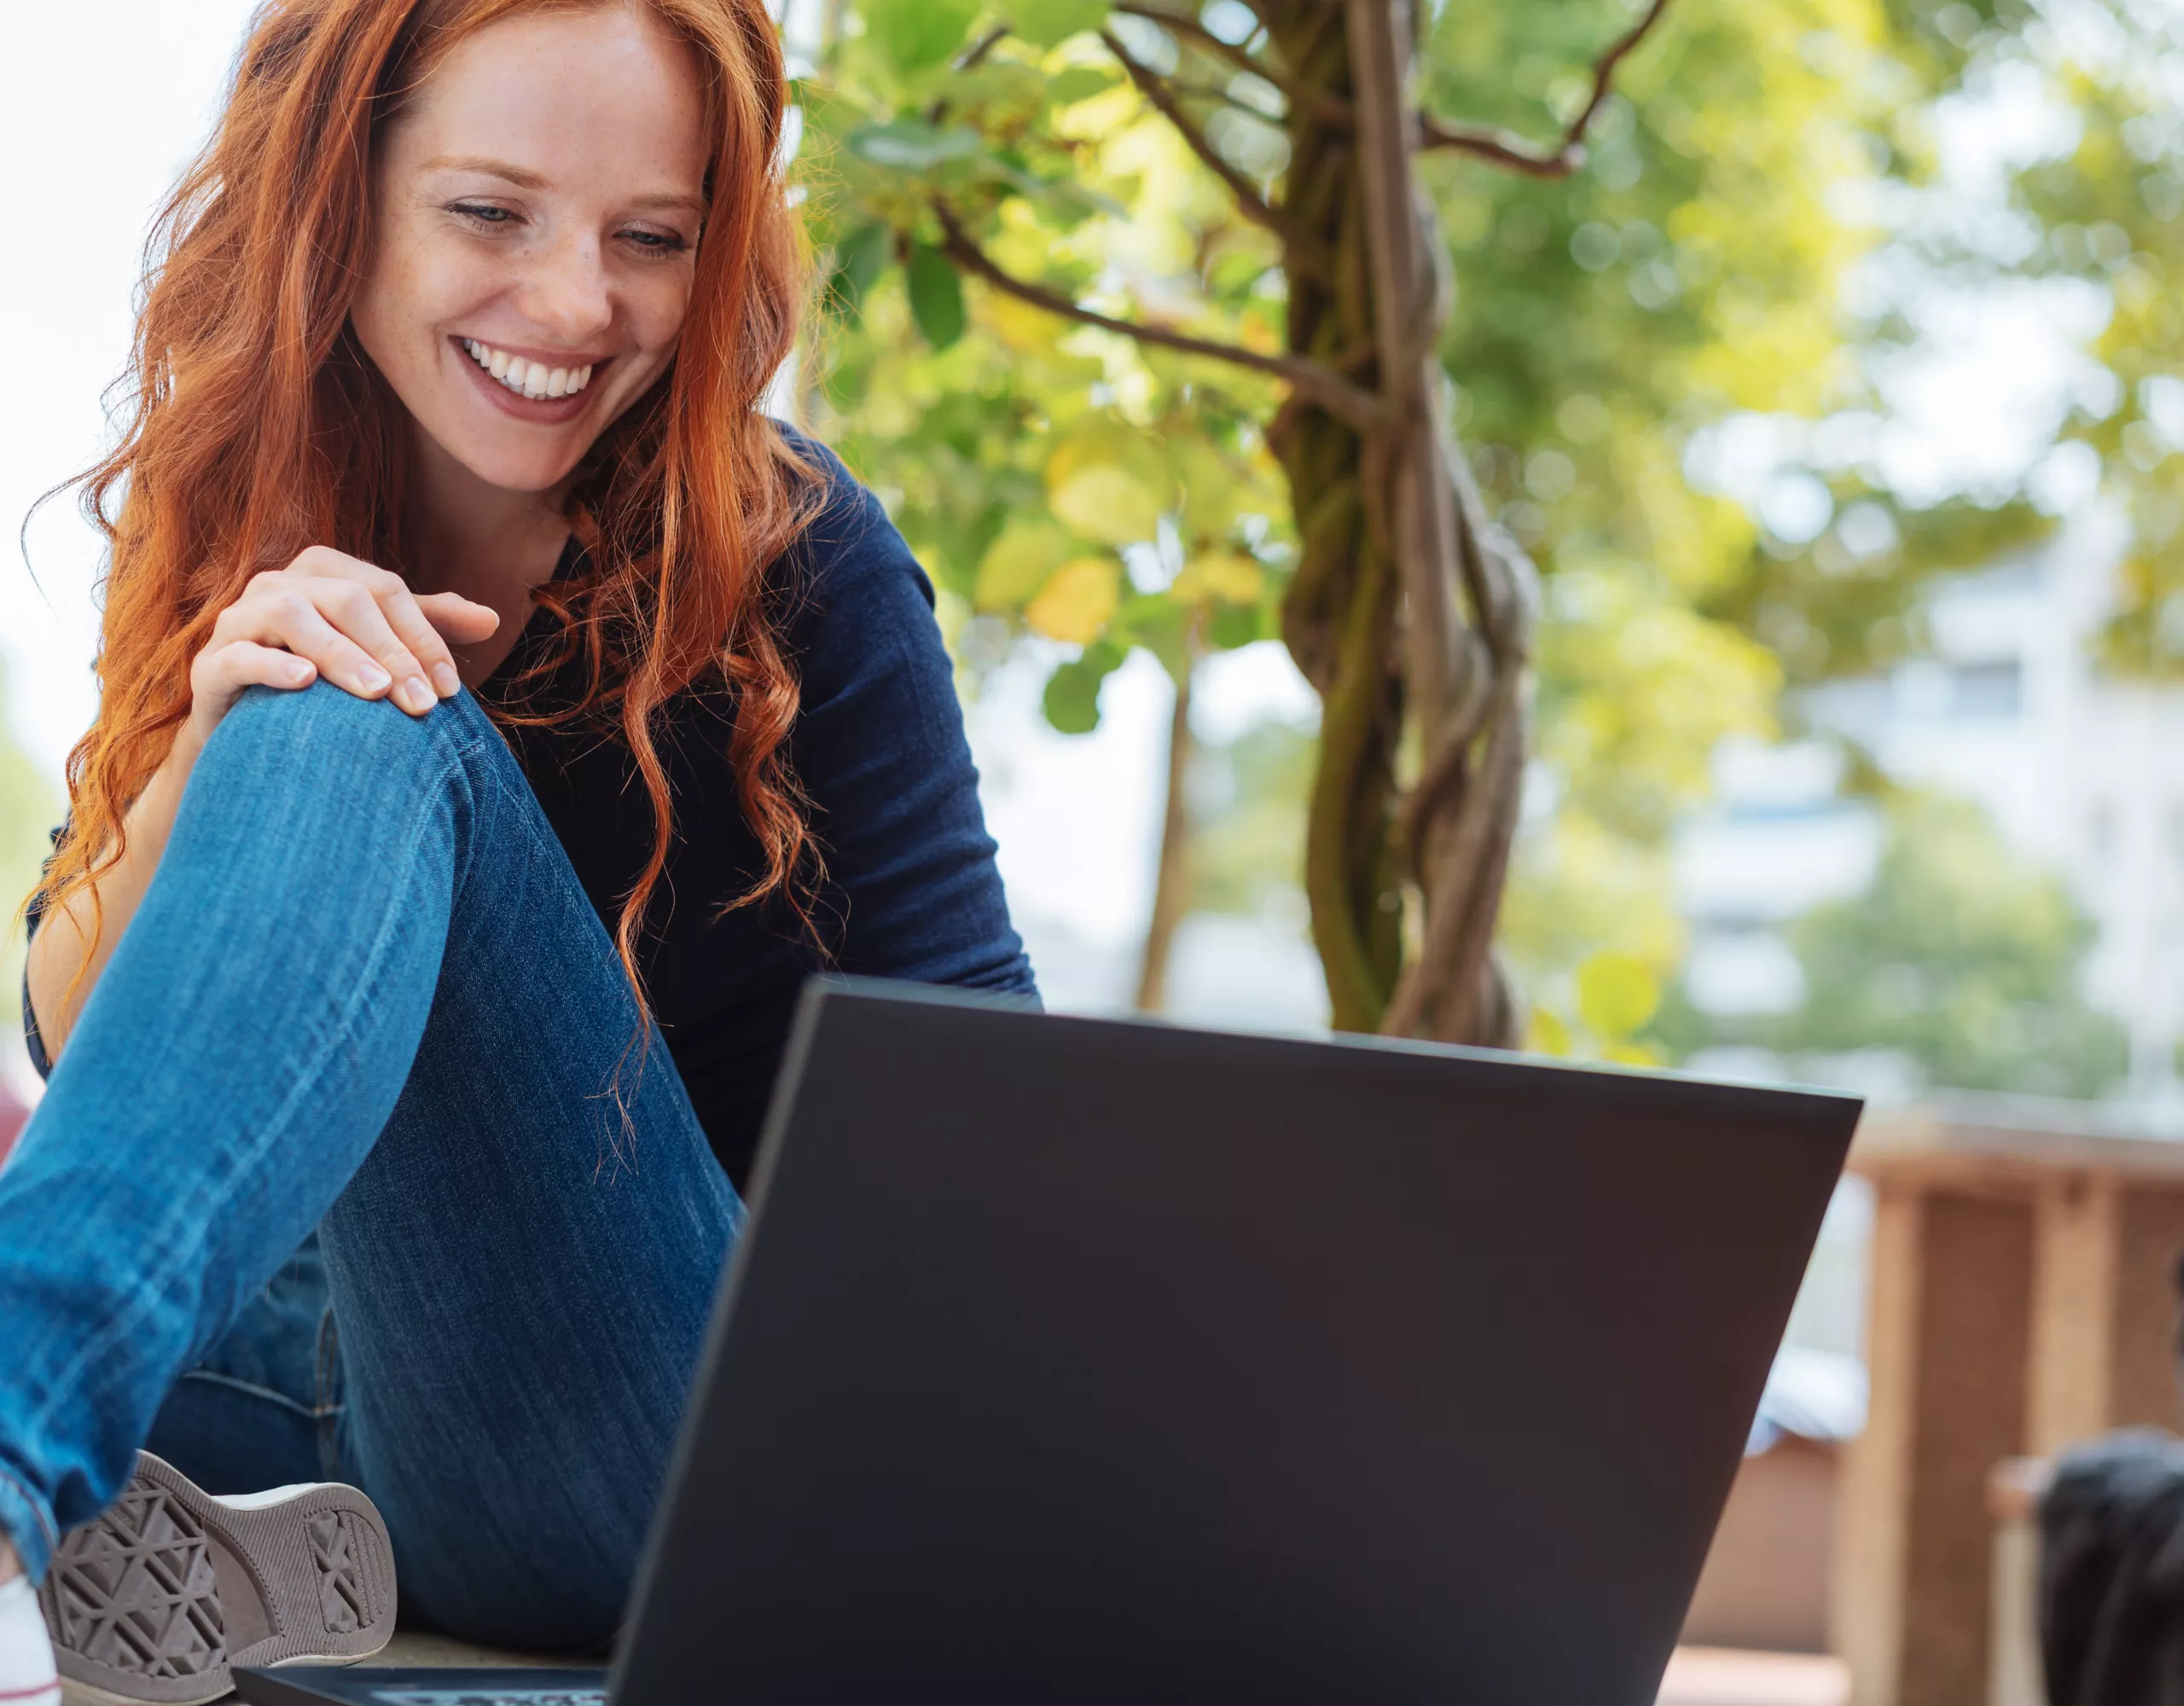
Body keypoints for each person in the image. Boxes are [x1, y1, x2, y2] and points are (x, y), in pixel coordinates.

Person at [0, 2, 1035, 1701]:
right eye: (492, 213)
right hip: (313, 1375)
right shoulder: (232, 504)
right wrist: (207, 729)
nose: (574, 305)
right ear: (341, 194)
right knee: (312, 685)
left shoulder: (799, 558)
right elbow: (78, 1043)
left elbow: (997, 1127)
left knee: (354, 708)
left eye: (651, 239)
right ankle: (197, 1533)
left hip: (670, 1429)